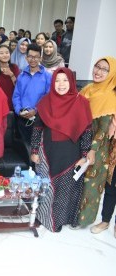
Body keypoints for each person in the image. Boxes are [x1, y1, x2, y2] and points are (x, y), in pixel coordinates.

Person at [31, 67, 93, 232]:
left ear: (72, 82)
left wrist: (85, 154)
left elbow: (87, 131)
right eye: (57, 80)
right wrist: (34, 151)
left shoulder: (82, 103)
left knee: (67, 190)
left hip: (72, 154)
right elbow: (37, 129)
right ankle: (45, 218)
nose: (61, 84)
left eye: (65, 80)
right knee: (46, 187)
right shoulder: (45, 102)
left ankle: (62, 220)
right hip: (48, 152)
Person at [78, 57, 116, 228]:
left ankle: (83, 220)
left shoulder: (110, 96)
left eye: (104, 69)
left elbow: (103, 129)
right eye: (97, 67)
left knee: (90, 185)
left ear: (112, 74)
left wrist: (92, 150)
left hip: (97, 149)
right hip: (79, 142)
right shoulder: (87, 90)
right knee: (77, 180)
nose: (98, 72)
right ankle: (72, 214)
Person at [12, 43, 51, 145]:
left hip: (39, 118)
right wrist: (19, 110)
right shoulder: (21, 76)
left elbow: (48, 97)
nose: (33, 59)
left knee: (37, 147)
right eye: (30, 56)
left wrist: (36, 110)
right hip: (23, 118)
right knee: (25, 147)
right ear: (26, 57)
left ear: (40, 58)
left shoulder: (47, 76)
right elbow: (16, 96)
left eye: (36, 57)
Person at [0, 45, 20, 111]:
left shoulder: (14, 67)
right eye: (1, 53)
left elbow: (19, 86)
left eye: (7, 53)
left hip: (12, 102)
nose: (5, 55)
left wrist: (11, 75)